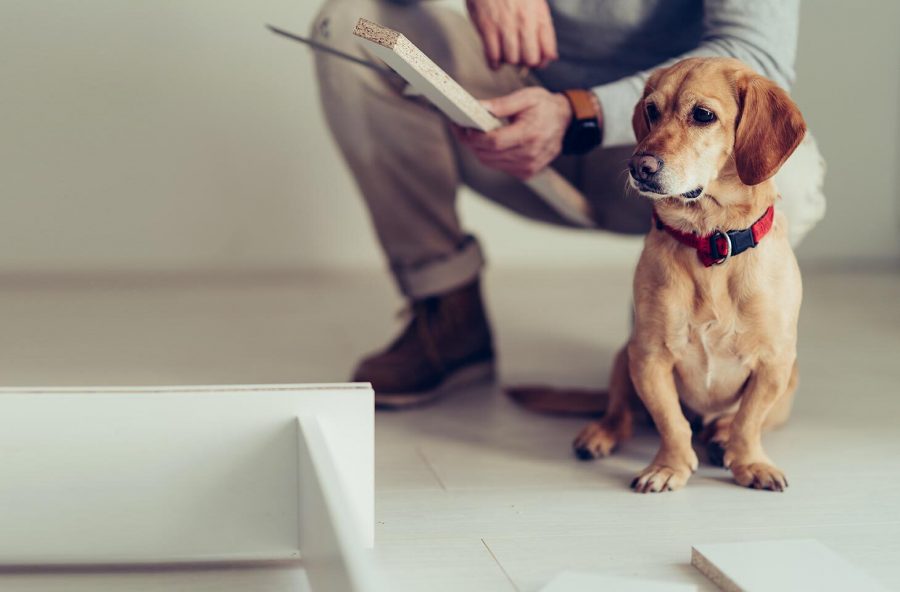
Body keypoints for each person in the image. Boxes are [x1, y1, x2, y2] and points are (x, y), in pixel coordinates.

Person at [310, 0, 826, 408]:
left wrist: (582, 111)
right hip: (507, 103)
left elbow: (758, 53)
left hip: (646, 140)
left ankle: (683, 333)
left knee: (792, 178)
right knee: (352, 24)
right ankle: (446, 310)